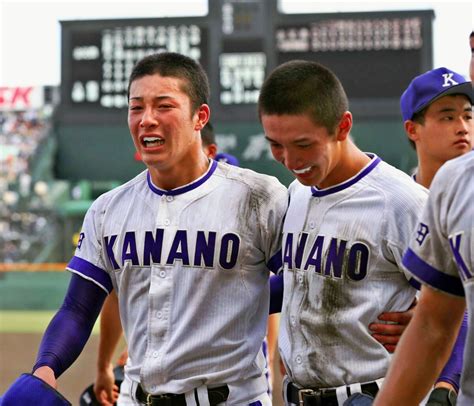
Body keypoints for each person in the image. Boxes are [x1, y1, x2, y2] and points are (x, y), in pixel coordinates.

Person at [1, 52, 288, 405]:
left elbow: (301, 281)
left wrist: (242, 300)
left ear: (200, 117)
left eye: (163, 106)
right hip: (136, 397)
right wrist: (46, 367)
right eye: (136, 108)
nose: (147, 119)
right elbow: (78, 308)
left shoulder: (259, 196)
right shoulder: (109, 209)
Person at [258, 59, 442, 406]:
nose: (290, 159)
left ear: (342, 126)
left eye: (303, 144)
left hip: (374, 393)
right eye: (276, 144)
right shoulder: (297, 192)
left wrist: (434, 318)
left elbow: (459, 297)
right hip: (298, 395)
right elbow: (299, 279)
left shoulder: (403, 202)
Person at [92, 122, 279, 406]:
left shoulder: (245, 193)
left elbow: (261, 286)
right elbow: (125, 291)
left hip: (231, 380)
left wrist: (271, 350)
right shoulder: (138, 204)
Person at [373, 43, 474, 406]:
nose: (462, 127)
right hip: (397, 377)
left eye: (467, 115)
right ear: (412, 129)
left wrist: (448, 381)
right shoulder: (393, 202)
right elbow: (436, 316)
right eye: (447, 117)